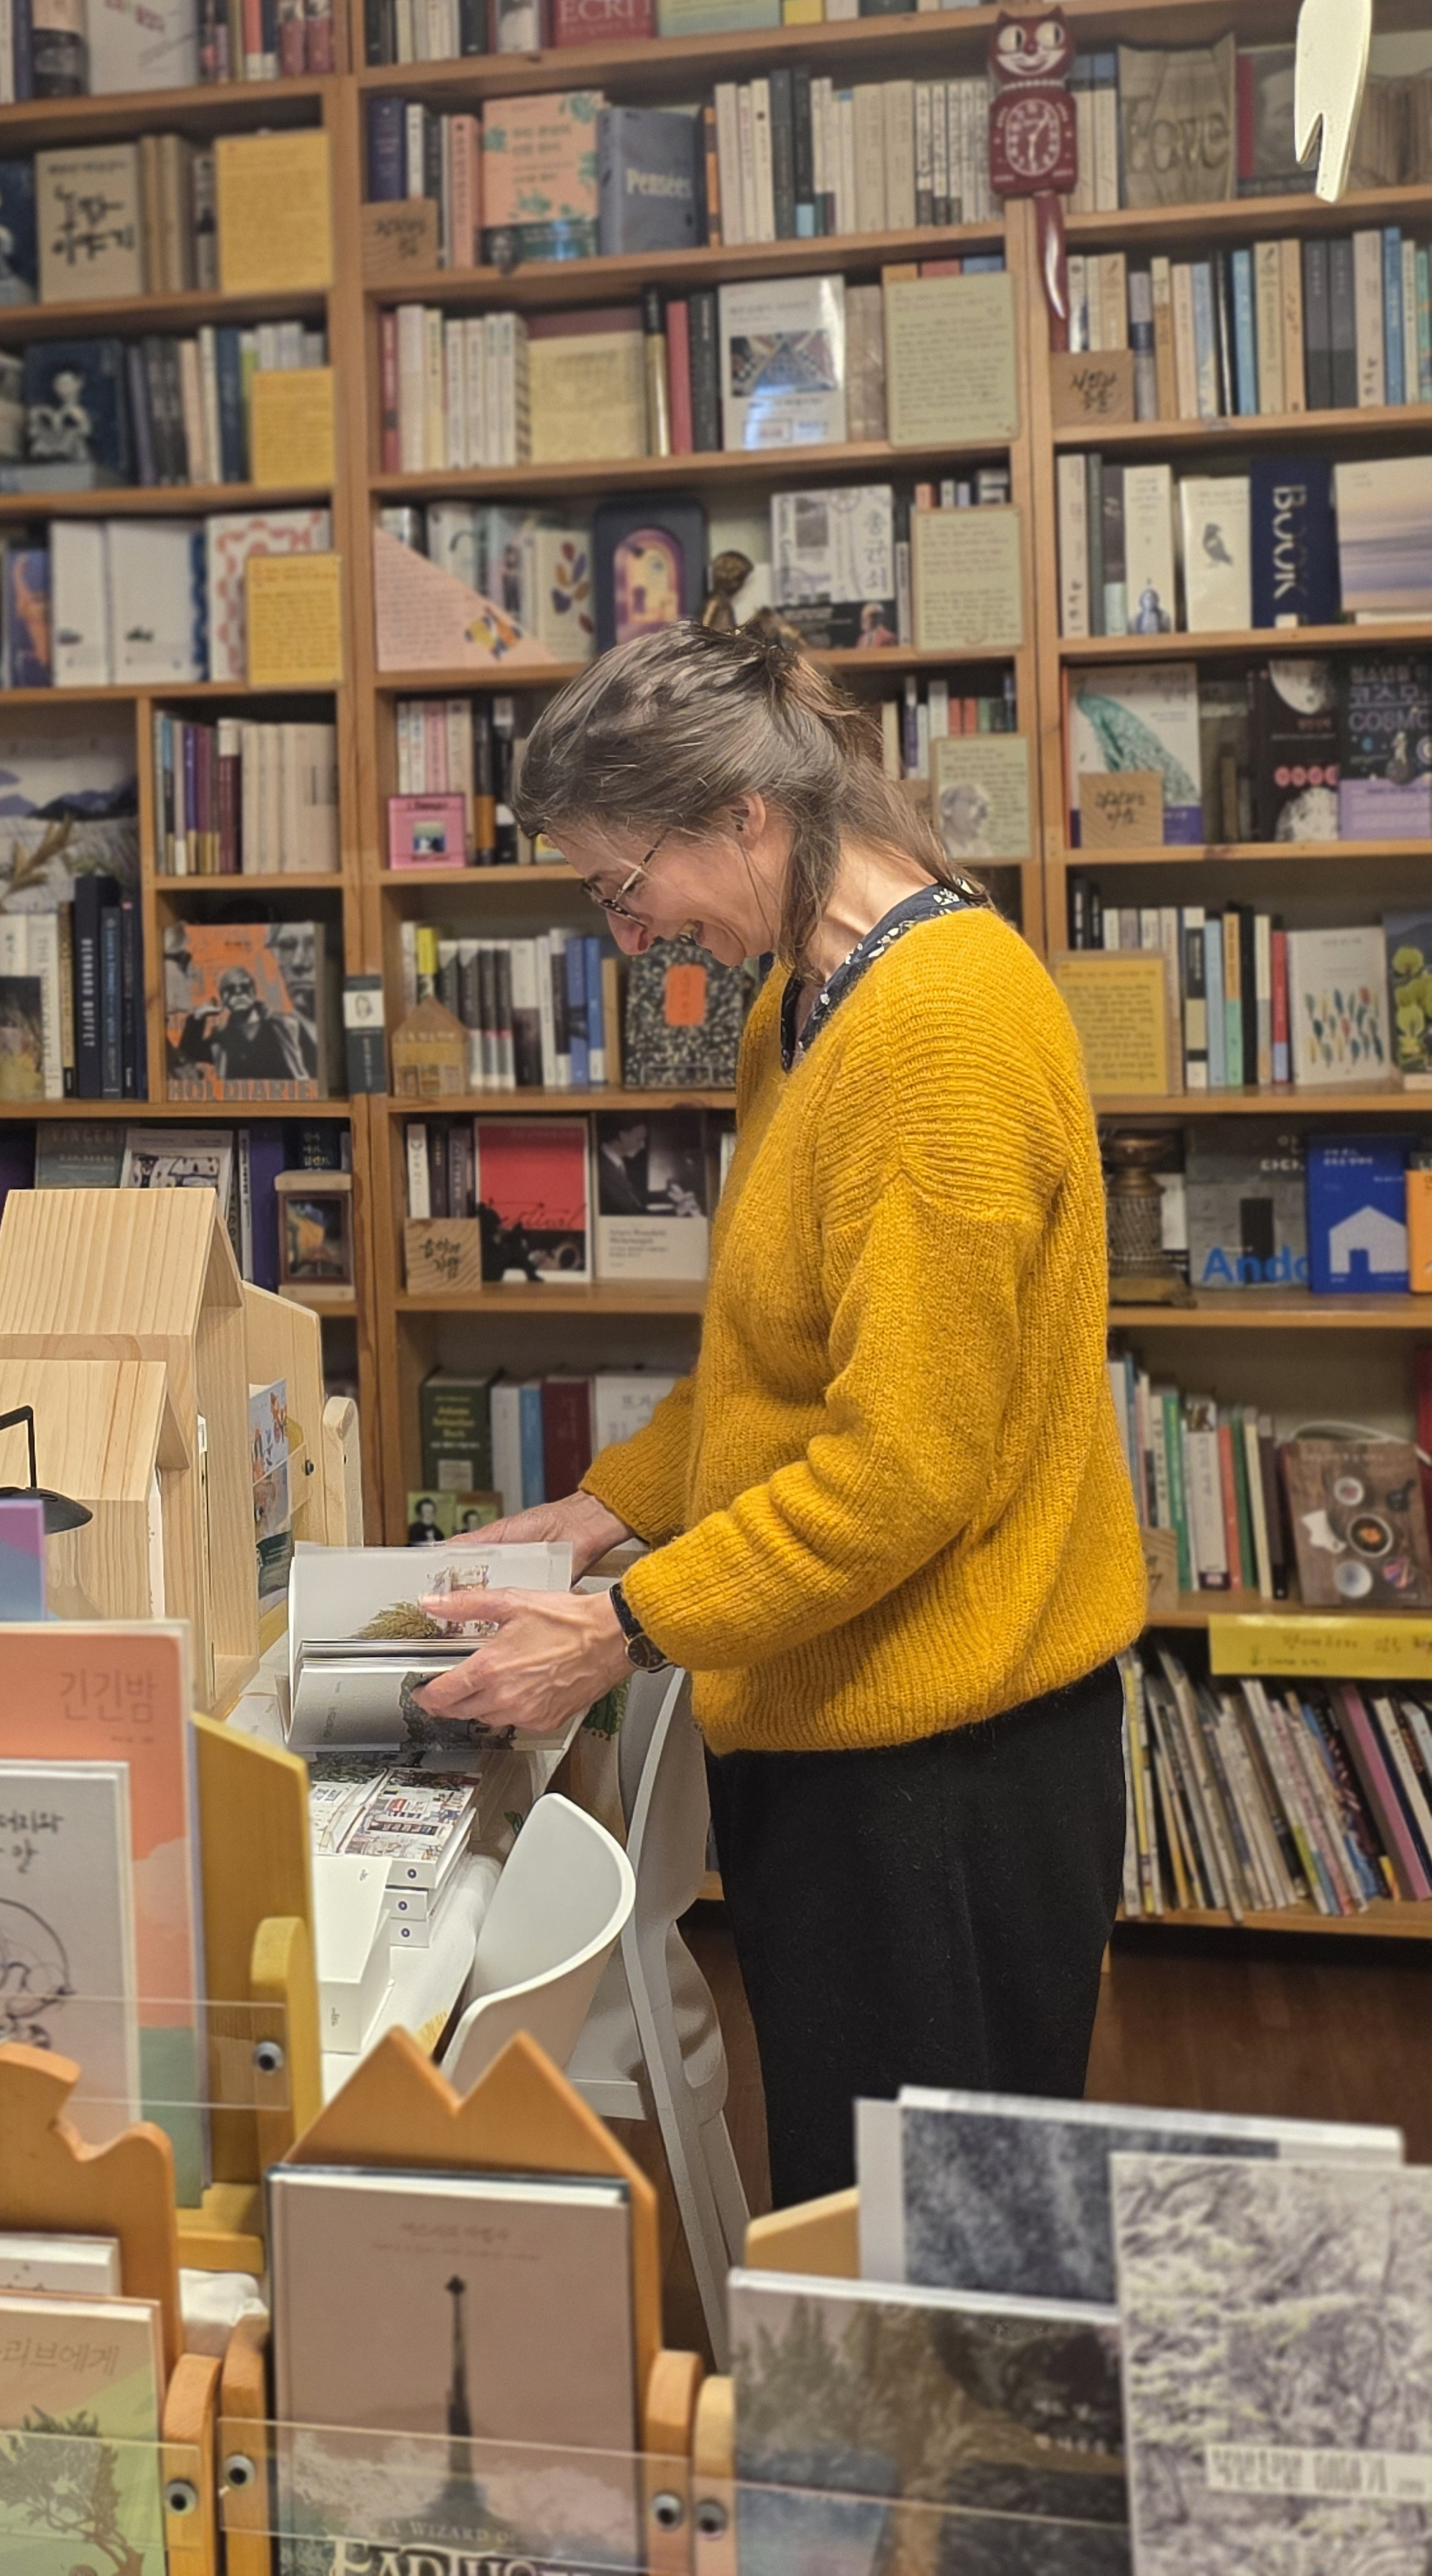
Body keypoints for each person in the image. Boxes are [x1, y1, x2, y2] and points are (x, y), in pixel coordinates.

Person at [421, 620, 1145, 2209]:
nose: (629, 934)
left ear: (744, 816)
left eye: (624, 887)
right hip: (840, 1722)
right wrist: (600, 1510)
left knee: (939, 2261)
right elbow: (775, 1365)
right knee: (854, 2220)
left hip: (946, 1768)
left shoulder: (938, 1027)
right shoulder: (801, 1006)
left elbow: (901, 1470)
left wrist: (621, 1628)